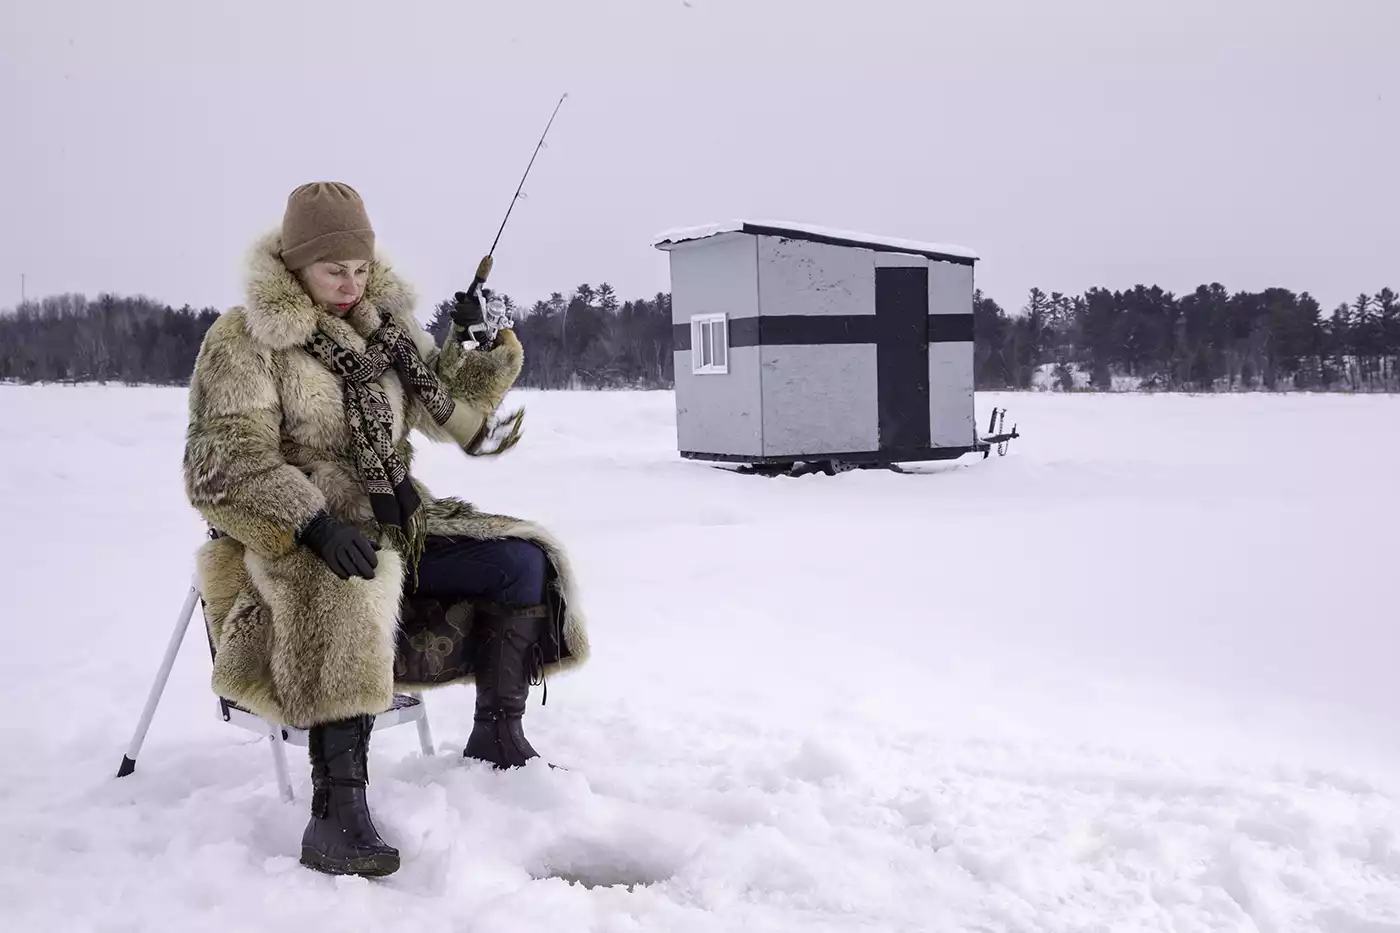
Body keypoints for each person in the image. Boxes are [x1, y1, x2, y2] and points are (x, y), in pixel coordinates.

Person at [182, 182, 590, 878]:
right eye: (332, 269)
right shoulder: (246, 339)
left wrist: (469, 342)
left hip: (404, 519)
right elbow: (220, 461)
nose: (349, 284)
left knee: (523, 561)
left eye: (360, 268)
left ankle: (499, 738)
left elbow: (443, 412)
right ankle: (336, 816)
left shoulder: (387, 332)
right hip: (298, 533)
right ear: (294, 264)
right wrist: (310, 522)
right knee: (349, 584)